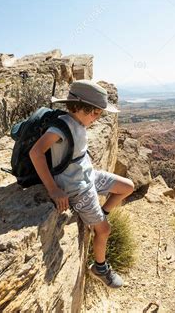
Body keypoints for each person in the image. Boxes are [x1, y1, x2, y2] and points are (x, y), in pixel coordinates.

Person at [29, 80, 134, 288]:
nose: (97, 118)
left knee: (127, 186)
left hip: (89, 177)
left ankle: (101, 214)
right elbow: (36, 152)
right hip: (77, 189)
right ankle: (100, 267)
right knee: (104, 230)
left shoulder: (78, 123)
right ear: (82, 108)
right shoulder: (61, 127)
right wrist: (53, 189)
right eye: (95, 113)